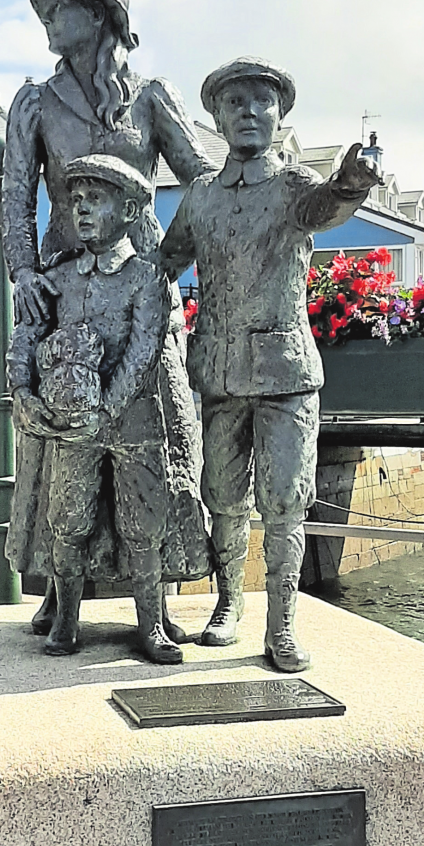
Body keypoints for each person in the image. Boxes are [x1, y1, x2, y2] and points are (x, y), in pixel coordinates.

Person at [2, 0, 211, 620]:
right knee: (61, 440)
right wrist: (24, 272)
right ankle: (62, 587)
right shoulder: (34, 101)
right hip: (67, 292)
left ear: (99, 14)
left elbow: (200, 182)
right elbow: (15, 196)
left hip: (140, 284)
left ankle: (160, 593)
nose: (48, 24)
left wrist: (167, 262)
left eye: (59, 9)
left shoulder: (149, 97)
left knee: (164, 429)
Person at [158, 60, 378, 670]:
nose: (248, 112)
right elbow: (164, 262)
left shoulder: (293, 188)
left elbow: (326, 207)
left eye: (261, 101)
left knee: (285, 502)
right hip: (221, 372)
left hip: (285, 376)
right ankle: (228, 605)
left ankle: (281, 626)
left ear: (279, 115)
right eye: (235, 103)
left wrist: (352, 182)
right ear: (217, 117)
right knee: (223, 497)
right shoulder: (201, 195)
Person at [9, 154, 180, 663]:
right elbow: (26, 337)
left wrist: (104, 412)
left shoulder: (147, 278)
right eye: (75, 201)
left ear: (129, 209)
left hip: (132, 423)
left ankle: (151, 626)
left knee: (142, 523)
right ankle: (65, 621)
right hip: (71, 428)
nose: (81, 210)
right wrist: (22, 392)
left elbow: (142, 353)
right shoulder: (58, 277)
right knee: (68, 520)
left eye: (95, 200)